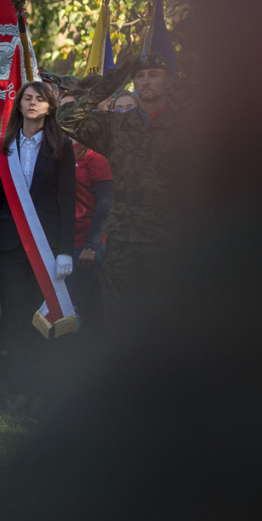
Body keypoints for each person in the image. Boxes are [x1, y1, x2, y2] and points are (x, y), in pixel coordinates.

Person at [55, 53, 183, 336]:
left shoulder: (185, 125)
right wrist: (109, 85)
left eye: (154, 74)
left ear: (169, 81)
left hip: (169, 234)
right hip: (123, 234)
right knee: (119, 318)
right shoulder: (115, 124)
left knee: (166, 317)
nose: (145, 81)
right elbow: (65, 119)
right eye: (139, 76)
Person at [0, 82, 75, 412]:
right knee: (17, 321)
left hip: (45, 248)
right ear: (18, 106)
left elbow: (68, 202)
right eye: (27, 99)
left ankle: (43, 392)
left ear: (50, 107)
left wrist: (65, 250)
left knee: (44, 320)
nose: (32, 104)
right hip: (7, 248)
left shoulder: (61, 146)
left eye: (40, 99)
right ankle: (20, 390)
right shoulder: (1, 147)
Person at [57, 92, 114, 336]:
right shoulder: (55, 152)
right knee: (62, 306)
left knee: (76, 306)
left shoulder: (95, 157)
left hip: (86, 246)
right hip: (61, 243)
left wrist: (91, 245)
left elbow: (105, 203)